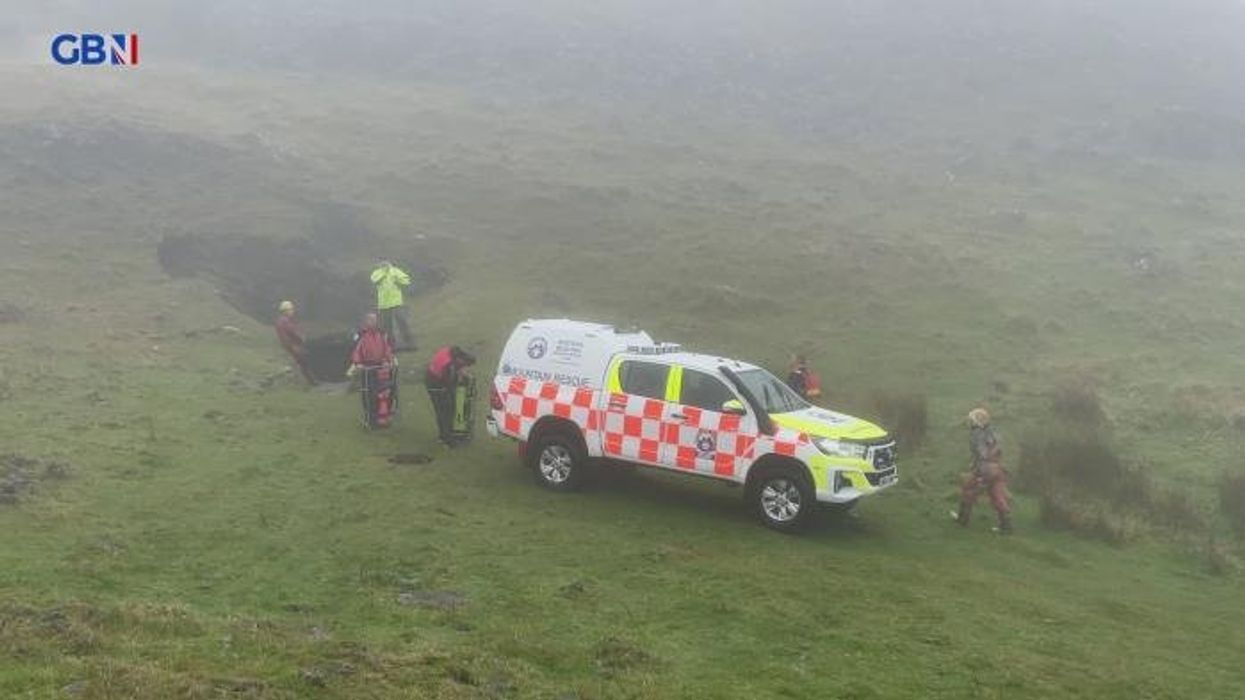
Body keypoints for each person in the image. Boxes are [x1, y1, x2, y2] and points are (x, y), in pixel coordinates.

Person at [953, 408, 1013, 534]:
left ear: (976, 421)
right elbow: (998, 450)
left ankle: (962, 520)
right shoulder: (993, 432)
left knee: (968, 490)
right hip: (997, 468)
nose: (969, 422)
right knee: (997, 496)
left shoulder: (976, 434)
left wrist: (978, 469)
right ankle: (1006, 527)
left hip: (984, 469)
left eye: (971, 420)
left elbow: (982, 453)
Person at [348, 313, 398, 427]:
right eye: (370, 320)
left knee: (385, 392)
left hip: (381, 367)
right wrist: (358, 363)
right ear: (366, 321)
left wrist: (388, 360)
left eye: (374, 320)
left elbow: (387, 349)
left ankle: (384, 417)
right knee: (369, 394)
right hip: (367, 368)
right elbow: (356, 351)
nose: (373, 322)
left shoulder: (382, 334)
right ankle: (370, 418)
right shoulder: (361, 335)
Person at [426, 345, 476, 446]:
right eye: (464, 365)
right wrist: (459, 380)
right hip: (435, 384)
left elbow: (456, 371)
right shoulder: (448, 364)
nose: (465, 368)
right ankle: (447, 439)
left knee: (448, 407)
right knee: (444, 411)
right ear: (459, 359)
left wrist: (462, 374)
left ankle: (448, 434)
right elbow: (449, 383)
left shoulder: (451, 351)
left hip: (437, 378)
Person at [370, 259, 414, 351]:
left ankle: (410, 343)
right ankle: (391, 346)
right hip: (384, 304)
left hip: (396, 302)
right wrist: (384, 272)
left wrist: (399, 281)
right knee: (387, 326)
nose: (384, 264)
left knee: (402, 322)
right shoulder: (376, 273)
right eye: (382, 263)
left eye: (385, 262)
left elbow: (406, 280)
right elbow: (375, 280)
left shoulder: (395, 270)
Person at [275, 300, 316, 385]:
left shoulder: (280, 320)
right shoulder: (285, 321)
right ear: (286, 311)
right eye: (291, 310)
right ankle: (312, 382)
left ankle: (309, 381)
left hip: (288, 345)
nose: (292, 311)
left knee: (302, 362)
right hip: (292, 346)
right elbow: (293, 332)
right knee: (305, 361)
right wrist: (302, 338)